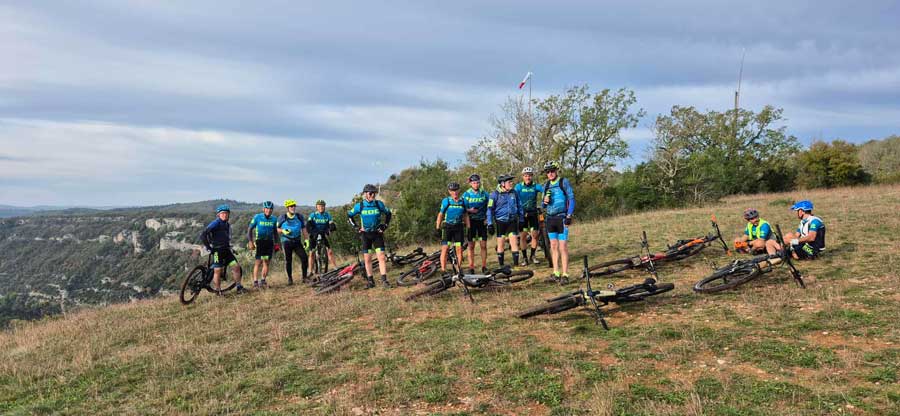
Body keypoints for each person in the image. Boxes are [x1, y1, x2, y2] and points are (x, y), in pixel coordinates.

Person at [348, 184, 393, 288]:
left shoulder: (378, 204)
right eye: (371, 193)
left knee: (381, 257)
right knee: (367, 259)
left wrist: (385, 225)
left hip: (377, 234)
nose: (373, 195)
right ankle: (370, 281)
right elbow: (349, 216)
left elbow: (388, 214)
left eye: (374, 193)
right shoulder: (360, 206)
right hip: (365, 235)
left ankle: (384, 281)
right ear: (365, 194)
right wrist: (356, 227)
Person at [199, 204, 245, 294]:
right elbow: (203, 235)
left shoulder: (227, 225)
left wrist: (231, 248)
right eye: (223, 213)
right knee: (218, 270)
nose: (225, 215)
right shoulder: (216, 223)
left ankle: (239, 287)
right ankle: (218, 291)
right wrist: (209, 247)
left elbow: (226, 239)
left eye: (226, 213)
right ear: (218, 215)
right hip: (217, 251)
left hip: (226, 250)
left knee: (236, 267)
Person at [542, 161, 575, 283]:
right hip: (550, 218)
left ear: (556, 171)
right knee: (553, 246)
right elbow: (543, 204)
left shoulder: (563, 182)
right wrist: (545, 202)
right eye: (548, 172)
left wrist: (569, 215)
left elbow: (571, 199)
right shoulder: (546, 185)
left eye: (552, 171)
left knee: (563, 247)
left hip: (562, 218)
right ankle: (556, 272)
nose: (550, 173)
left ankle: (565, 274)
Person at [487, 174, 522, 267]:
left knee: (514, 242)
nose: (511, 183)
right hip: (500, 221)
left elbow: (519, 205)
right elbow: (490, 210)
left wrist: (521, 219)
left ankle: (516, 265)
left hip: (512, 220)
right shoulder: (494, 194)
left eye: (511, 181)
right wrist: (490, 224)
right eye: (509, 182)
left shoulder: (514, 192)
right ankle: (501, 265)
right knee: (501, 243)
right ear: (502, 183)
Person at [436, 182, 470, 272]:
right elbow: (440, 214)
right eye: (452, 190)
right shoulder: (446, 201)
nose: (454, 192)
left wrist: (468, 227)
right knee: (445, 248)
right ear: (449, 191)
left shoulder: (463, 201)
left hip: (458, 227)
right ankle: (443, 269)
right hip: (447, 227)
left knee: (459, 248)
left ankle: (458, 268)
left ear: (459, 190)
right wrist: (437, 227)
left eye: (456, 190)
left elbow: (466, 215)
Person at [515, 167, 545, 265]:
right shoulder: (518, 187)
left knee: (535, 235)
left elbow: (544, 190)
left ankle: (532, 256)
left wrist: (545, 198)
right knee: (523, 236)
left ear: (532, 176)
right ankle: (524, 258)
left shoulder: (535, 186)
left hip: (532, 213)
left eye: (529, 175)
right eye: (526, 176)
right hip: (522, 214)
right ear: (523, 177)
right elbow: (512, 197)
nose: (528, 177)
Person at [247, 201, 279, 289]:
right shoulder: (257, 217)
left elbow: (275, 233)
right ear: (264, 209)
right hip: (259, 242)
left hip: (269, 242)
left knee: (266, 262)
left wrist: (276, 244)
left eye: (270, 209)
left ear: (272, 210)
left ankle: (263, 281)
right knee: (258, 262)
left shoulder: (274, 219)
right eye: (267, 209)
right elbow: (249, 229)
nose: (268, 211)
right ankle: (255, 282)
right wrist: (250, 241)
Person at [463, 174, 490, 274]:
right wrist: (470, 210)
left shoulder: (484, 193)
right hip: (471, 222)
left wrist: (488, 218)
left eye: (478, 182)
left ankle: (484, 266)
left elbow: (490, 207)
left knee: (483, 245)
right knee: (471, 246)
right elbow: (462, 209)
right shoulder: (466, 194)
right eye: (474, 183)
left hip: (482, 221)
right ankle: (471, 267)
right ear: (470, 183)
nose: (476, 184)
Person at [277, 199, 309, 285]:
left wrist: (306, 240)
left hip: (297, 241)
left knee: (304, 258)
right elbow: (276, 229)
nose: (293, 207)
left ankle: (304, 278)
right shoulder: (282, 217)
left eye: (294, 206)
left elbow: (304, 229)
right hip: (286, 241)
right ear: (287, 208)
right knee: (288, 260)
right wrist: (283, 231)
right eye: (291, 206)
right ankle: (290, 279)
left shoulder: (299, 216)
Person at [307, 200, 338, 270]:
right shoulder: (313, 215)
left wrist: (330, 229)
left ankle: (335, 267)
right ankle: (310, 271)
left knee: (329, 251)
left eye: (323, 206)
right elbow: (308, 225)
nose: (321, 207)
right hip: (314, 234)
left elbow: (331, 224)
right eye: (319, 206)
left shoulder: (327, 215)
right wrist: (311, 232)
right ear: (317, 207)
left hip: (323, 233)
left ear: (324, 207)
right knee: (311, 253)